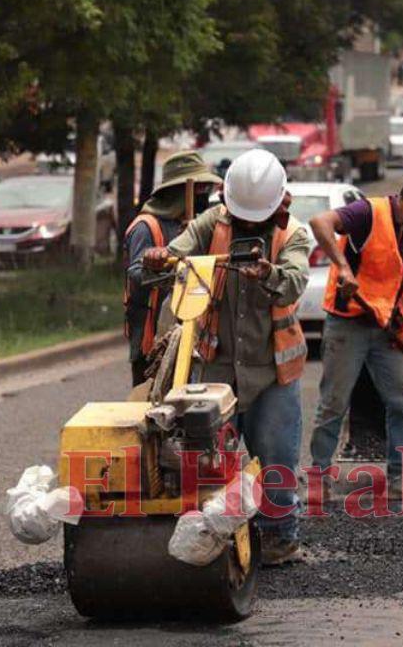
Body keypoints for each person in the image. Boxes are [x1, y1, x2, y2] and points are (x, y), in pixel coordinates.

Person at [143, 149, 310, 565]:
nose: (249, 225)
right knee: (208, 458)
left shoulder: (293, 236)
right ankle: (211, 536)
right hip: (216, 368)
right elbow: (179, 251)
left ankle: (279, 537)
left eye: (257, 219)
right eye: (242, 217)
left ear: (275, 206)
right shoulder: (209, 225)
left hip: (271, 372)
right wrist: (163, 256)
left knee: (276, 457)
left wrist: (267, 273)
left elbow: (293, 282)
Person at [308, 173, 403, 498]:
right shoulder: (367, 213)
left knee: (402, 400)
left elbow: (402, 293)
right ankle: (318, 482)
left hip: (385, 331)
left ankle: (401, 479)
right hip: (348, 325)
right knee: (333, 403)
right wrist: (342, 267)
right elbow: (319, 222)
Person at [123, 151, 221, 385]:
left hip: (189, 330)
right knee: (150, 401)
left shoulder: (193, 226)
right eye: (200, 189)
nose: (205, 196)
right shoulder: (147, 226)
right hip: (152, 333)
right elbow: (136, 274)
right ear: (179, 192)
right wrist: (166, 265)